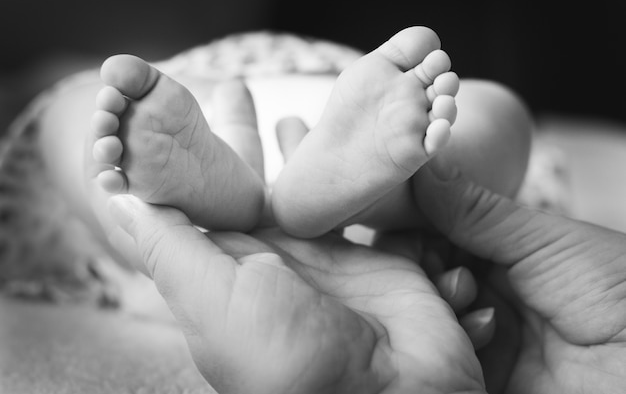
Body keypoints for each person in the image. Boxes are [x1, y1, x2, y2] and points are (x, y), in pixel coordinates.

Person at [105, 155, 626, 394]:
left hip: (275, 105)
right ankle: (353, 183)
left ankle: (347, 182)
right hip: (324, 137)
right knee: (496, 119)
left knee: (80, 133)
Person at [87, 26, 532, 242]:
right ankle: (389, 197)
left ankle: (183, 219)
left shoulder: (170, 87)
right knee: (498, 110)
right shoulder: (388, 84)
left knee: (85, 117)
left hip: (212, 83)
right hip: (320, 95)